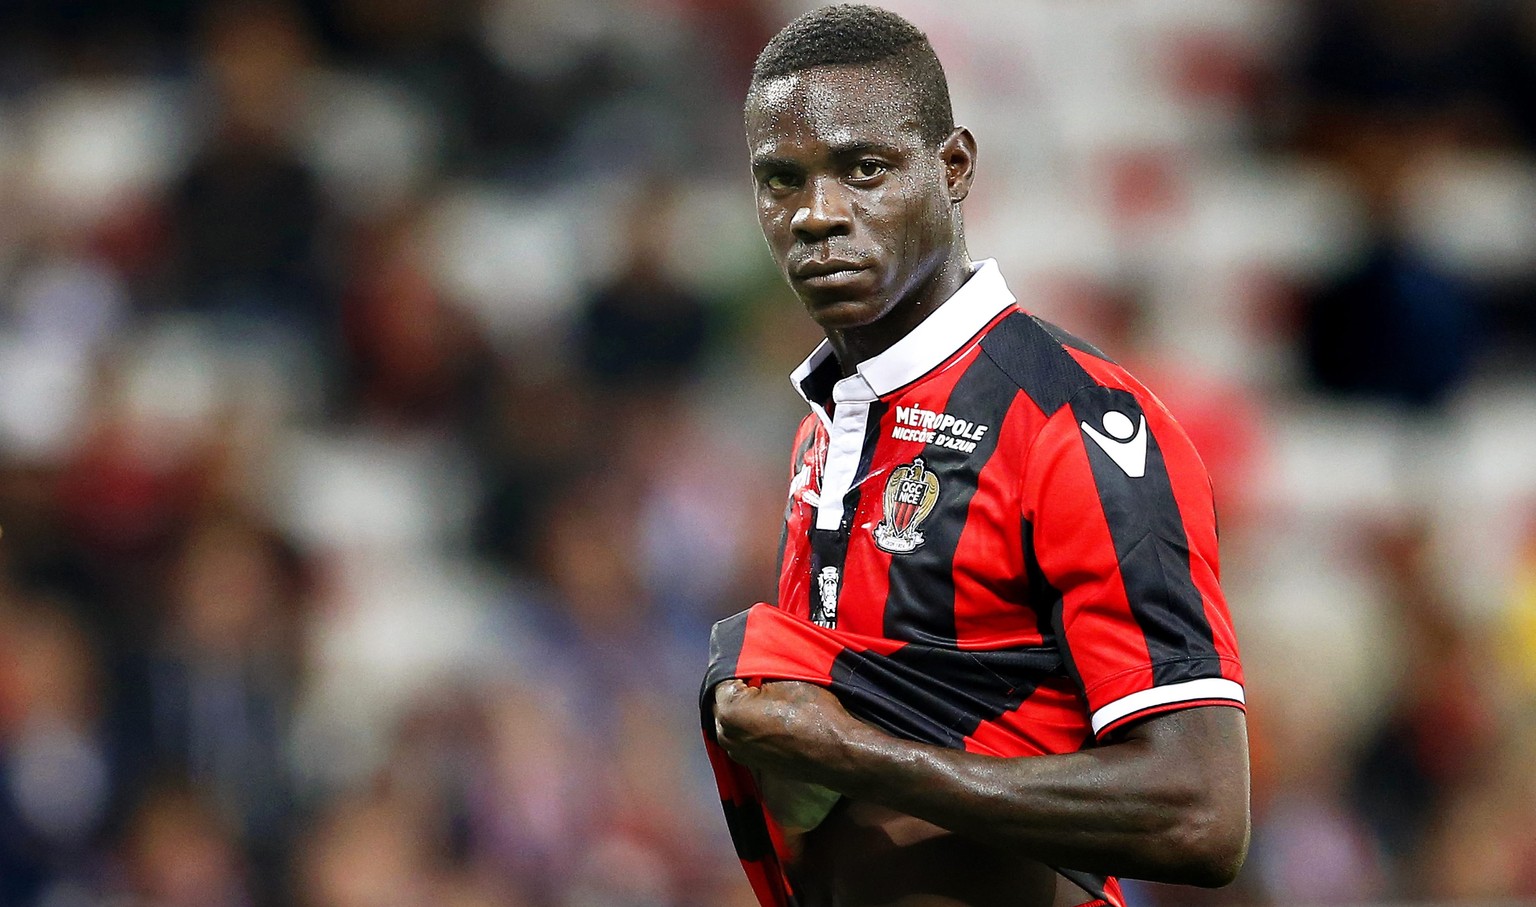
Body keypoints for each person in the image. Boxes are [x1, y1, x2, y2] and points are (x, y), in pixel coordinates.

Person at [701, 6, 1250, 907]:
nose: (817, 214)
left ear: (952, 167)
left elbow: (1202, 812)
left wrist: (856, 753)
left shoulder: (1074, 420)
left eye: (864, 169)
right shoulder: (822, 431)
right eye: (780, 180)